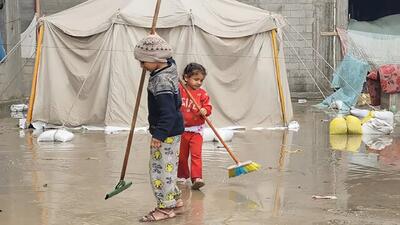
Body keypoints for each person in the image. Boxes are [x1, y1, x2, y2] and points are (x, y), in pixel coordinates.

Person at [133, 34, 184, 222]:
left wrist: (158, 135)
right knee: (168, 168)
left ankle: (165, 208)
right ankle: (175, 200)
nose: (141, 66)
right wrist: (154, 39)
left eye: (143, 61)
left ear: (156, 60)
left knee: (159, 171)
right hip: (173, 131)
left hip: (166, 132)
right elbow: (168, 56)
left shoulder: (161, 81)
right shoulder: (170, 67)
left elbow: (168, 114)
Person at [178, 63, 212, 190]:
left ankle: (197, 178)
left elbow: (208, 107)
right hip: (181, 130)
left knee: (196, 155)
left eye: (201, 80)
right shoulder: (180, 89)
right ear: (186, 78)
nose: (199, 82)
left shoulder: (202, 94)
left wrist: (205, 110)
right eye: (196, 79)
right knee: (181, 156)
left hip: (196, 131)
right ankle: (182, 175)